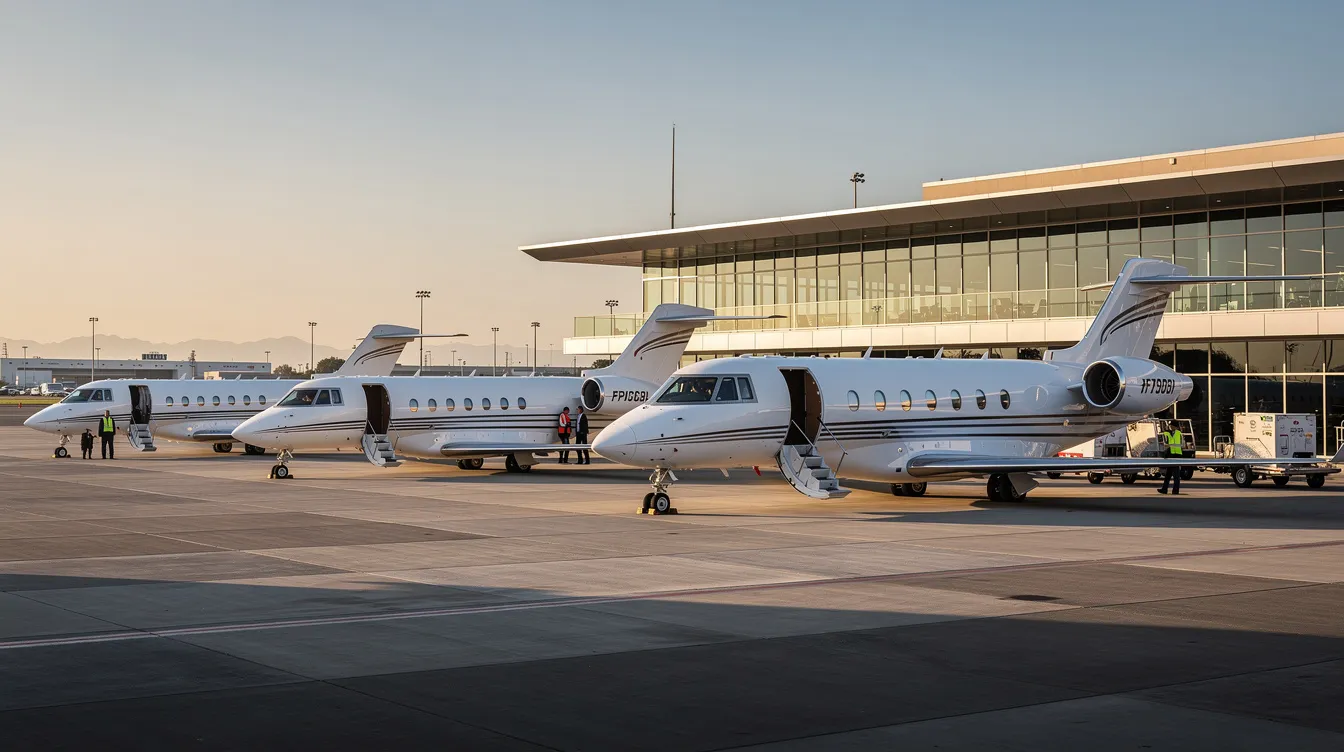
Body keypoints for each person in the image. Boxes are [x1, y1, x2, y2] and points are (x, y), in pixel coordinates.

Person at [1158, 422, 1183, 495]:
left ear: (1176, 427)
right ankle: (1164, 489)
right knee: (1168, 474)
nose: (1170, 427)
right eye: (1170, 426)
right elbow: (1162, 435)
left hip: (1177, 455)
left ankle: (1175, 490)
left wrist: (1170, 445)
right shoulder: (1168, 433)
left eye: (1172, 426)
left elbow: (1182, 444)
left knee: (1176, 475)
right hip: (1170, 454)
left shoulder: (1179, 433)